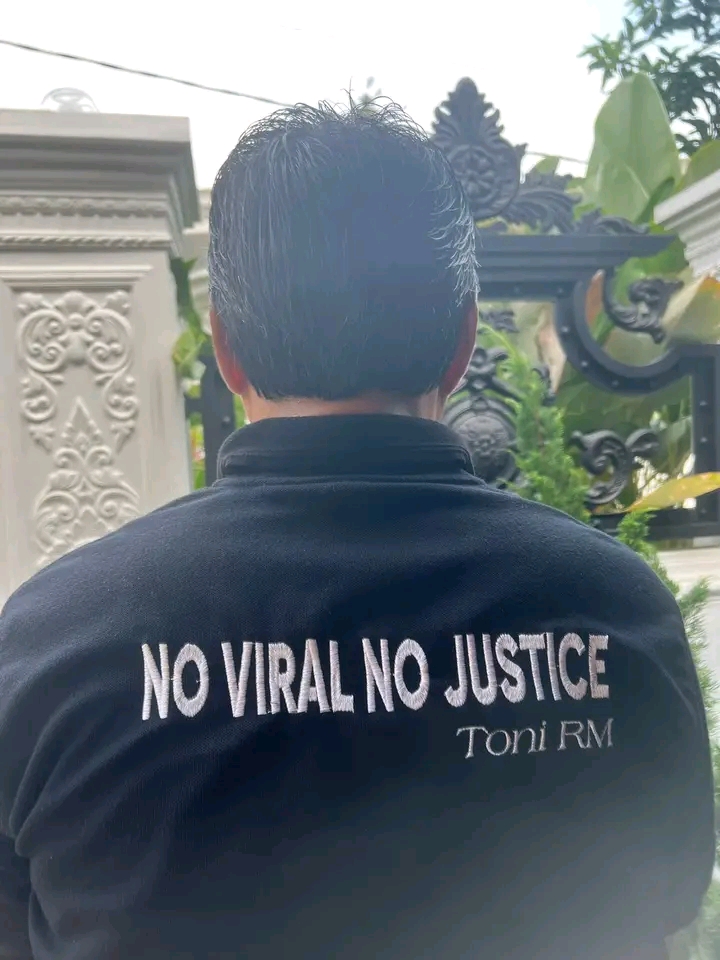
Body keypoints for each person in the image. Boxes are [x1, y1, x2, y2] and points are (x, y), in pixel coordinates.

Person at [0, 100, 714, 960]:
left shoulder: (53, 644)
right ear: (462, 339)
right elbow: (664, 909)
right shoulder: (615, 609)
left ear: (224, 348)